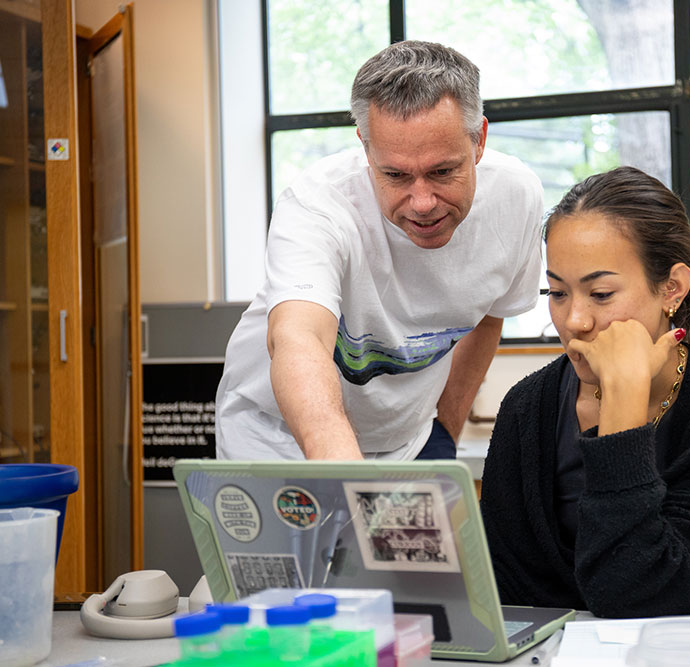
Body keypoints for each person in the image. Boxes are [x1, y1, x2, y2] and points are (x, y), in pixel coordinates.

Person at [479, 166, 690, 618]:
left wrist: (622, 402)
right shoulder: (528, 407)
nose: (574, 321)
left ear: (672, 289)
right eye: (558, 293)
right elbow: (502, 592)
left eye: (601, 294)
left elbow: (640, 598)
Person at [215, 41, 543, 462]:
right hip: (275, 439)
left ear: (478, 140)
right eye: (395, 175)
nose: (422, 202)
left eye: (442, 172)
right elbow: (299, 337)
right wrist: (345, 475)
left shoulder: (515, 197)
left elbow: (489, 317)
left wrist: (444, 433)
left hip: (406, 441)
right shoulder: (317, 205)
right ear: (366, 148)